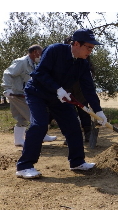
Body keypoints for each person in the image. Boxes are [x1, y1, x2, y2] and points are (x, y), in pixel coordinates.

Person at [15, 29, 108, 179]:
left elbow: (88, 89)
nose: (90, 51)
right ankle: (24, 166)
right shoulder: (54, 50)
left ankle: (77, 162)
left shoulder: (82, 64)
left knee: (73, 126)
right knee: (39, 125)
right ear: (76, 44)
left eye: (92, 48)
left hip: (59, 98)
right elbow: (39, 73)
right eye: (89, 47)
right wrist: (57, 89)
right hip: (37, 92)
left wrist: (98, 111)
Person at [1, 45, 57, 146]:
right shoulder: (21, 62)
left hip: (22, 94)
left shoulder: (32, 64)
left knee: (21, 117)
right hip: (16, 94)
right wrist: (7, 88)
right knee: (34, 115)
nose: (41, 56)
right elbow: (7, 73)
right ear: (35, 52)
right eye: (40, 53)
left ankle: (19, 140)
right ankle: (40, 135)